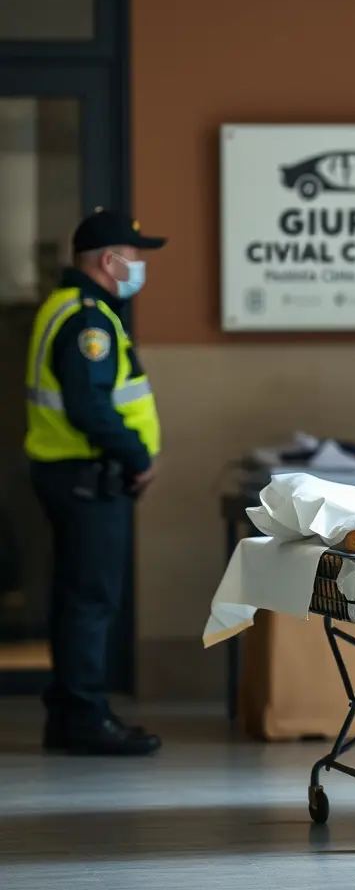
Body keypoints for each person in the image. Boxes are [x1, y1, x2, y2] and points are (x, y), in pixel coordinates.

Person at [25, 209, 166, 756]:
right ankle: (84, 718)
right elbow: (89, 407)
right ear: (109, 261)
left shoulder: (67, 306)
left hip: (70, 475)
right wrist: (136, 456)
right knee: (92, 600)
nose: (140, 267)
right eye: (134, 257)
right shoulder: (89, 320)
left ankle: (69, 714)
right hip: (88, 478)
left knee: (76, 597)